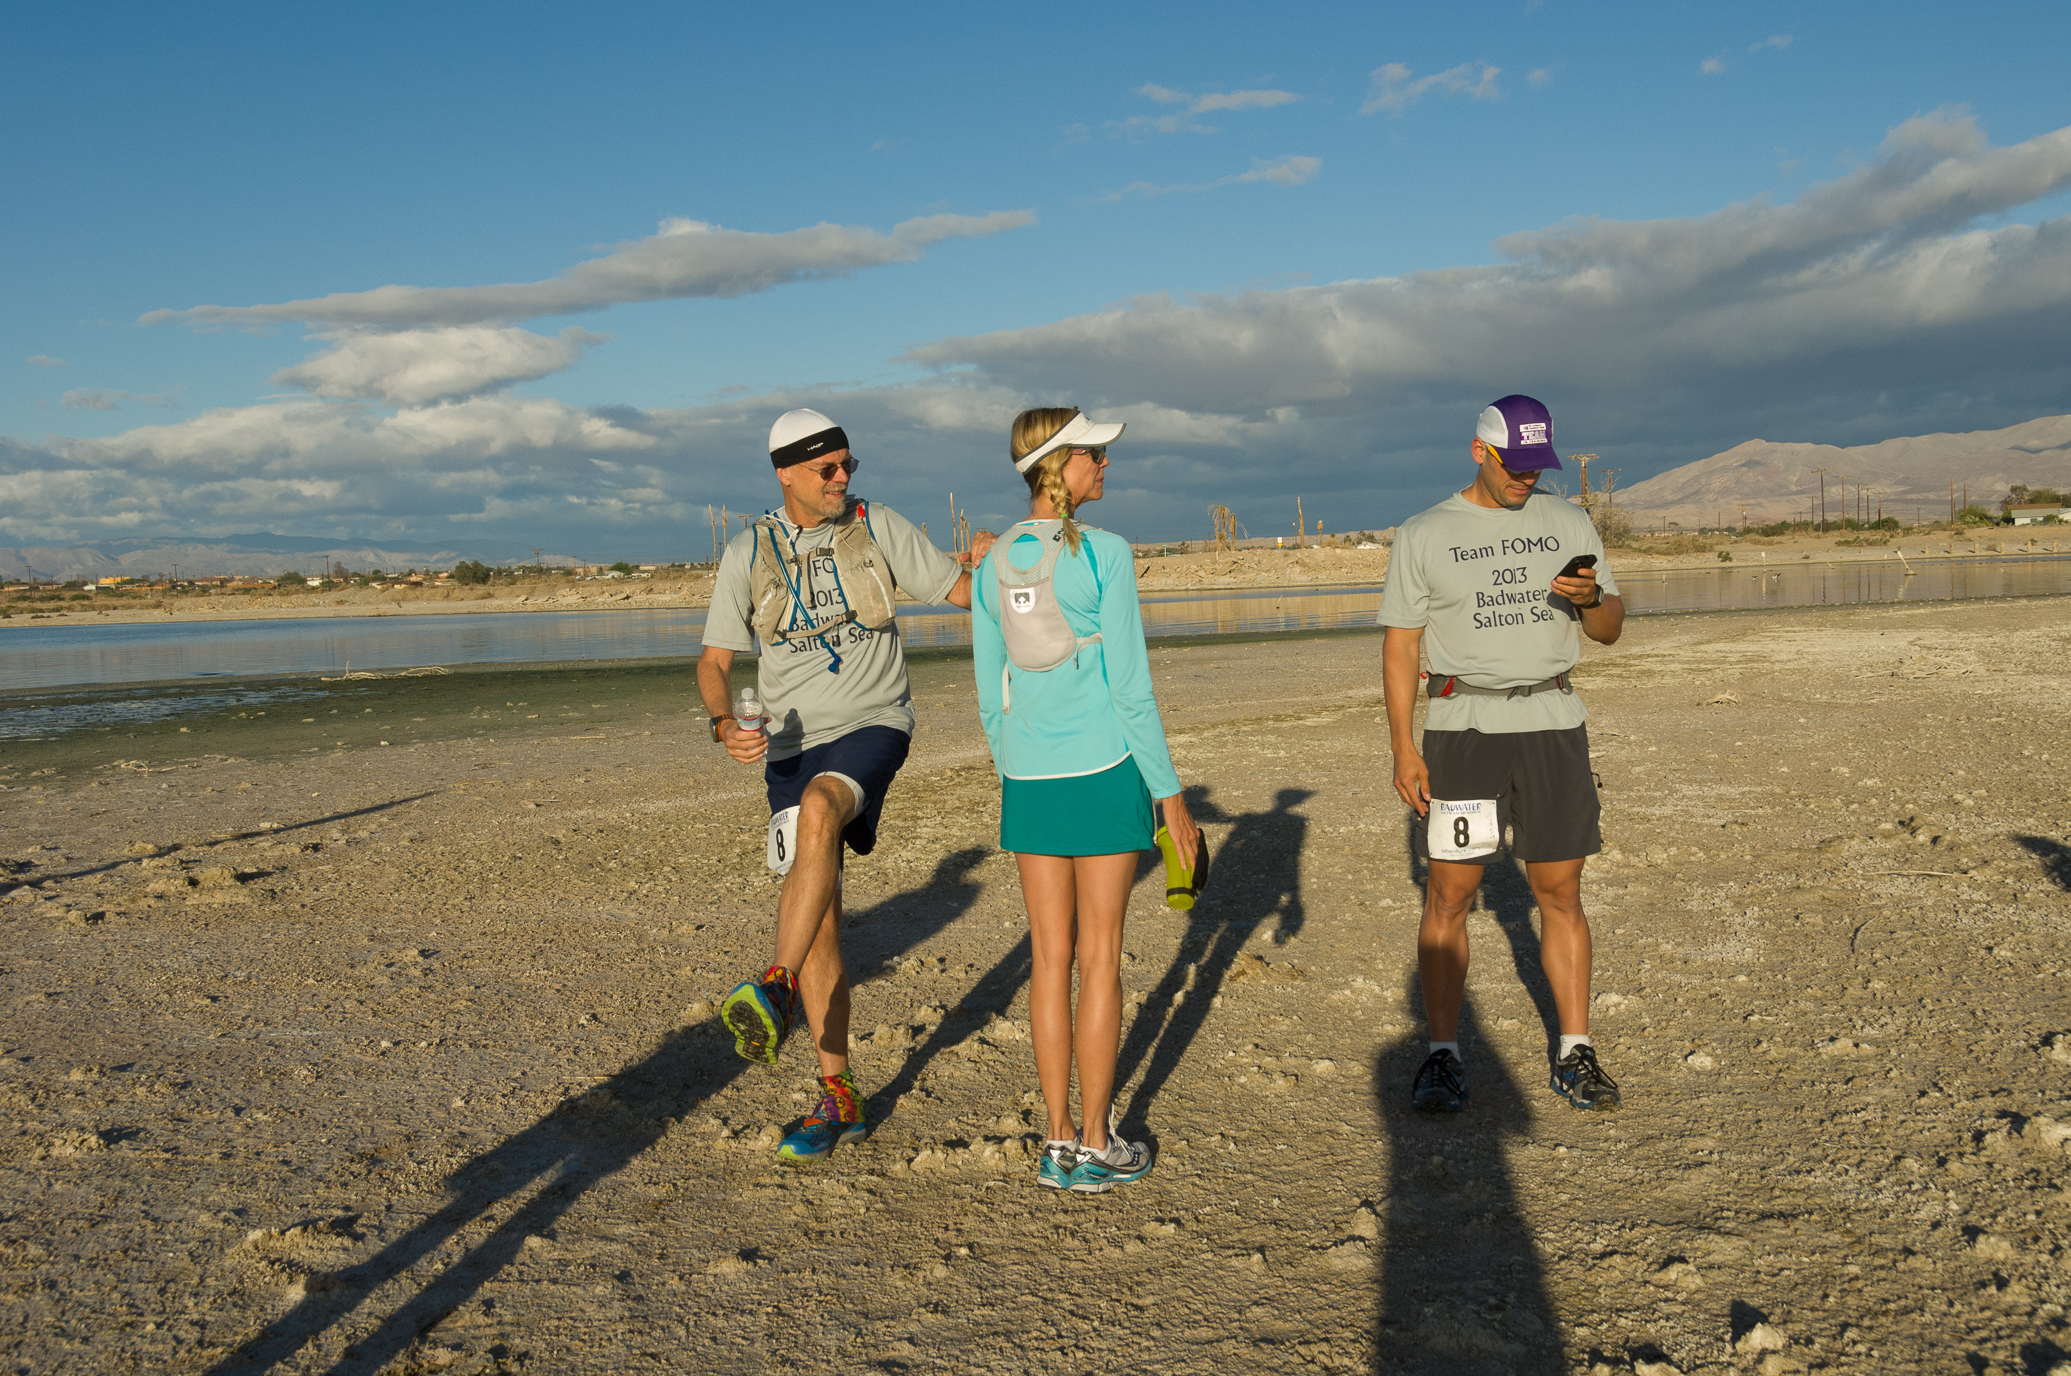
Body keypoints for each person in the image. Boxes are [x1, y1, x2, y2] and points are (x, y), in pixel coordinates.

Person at [701, 407, 992, 1162]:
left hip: (871, 723)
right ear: (786, 474)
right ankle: (839, 1096)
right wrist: (721, 724)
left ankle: (772, 984)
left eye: (847, 466)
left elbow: (960, 592)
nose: (842, 479)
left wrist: (1006, 553)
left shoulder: (878, 526)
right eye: (827, 468)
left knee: (826, 807)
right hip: (788, 748)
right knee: (820, 919)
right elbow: (713, 661)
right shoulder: (747, 549)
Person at [971, 406, 1203, 1192]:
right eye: (1092, 454)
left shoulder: (990, 562)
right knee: (1099, 958)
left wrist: (1017, 766)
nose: (1104, 464)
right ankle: (1099, 1144)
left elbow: (987, 695)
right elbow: (1130, 687)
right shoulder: (1105, 553)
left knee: (1048, 960)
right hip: (1106, 768)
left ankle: (1056, 1141)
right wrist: (1169, 796)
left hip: (1029, 782)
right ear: (1055, 464)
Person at [1378, 394, 1627, 1114]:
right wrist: (1402, 745)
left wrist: (1587, 599)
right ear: (1478, 452)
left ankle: (1574, 1051)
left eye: (1534, 465)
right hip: (1460, 730)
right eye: (1512, 464)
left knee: (1559, 892)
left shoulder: (1568, 520)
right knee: (1449, 896)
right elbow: (1400, 645)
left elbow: (1609, 627)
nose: (1524, 477)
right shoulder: (1423, 533)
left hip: (1552, 722)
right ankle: (1442, 1056)